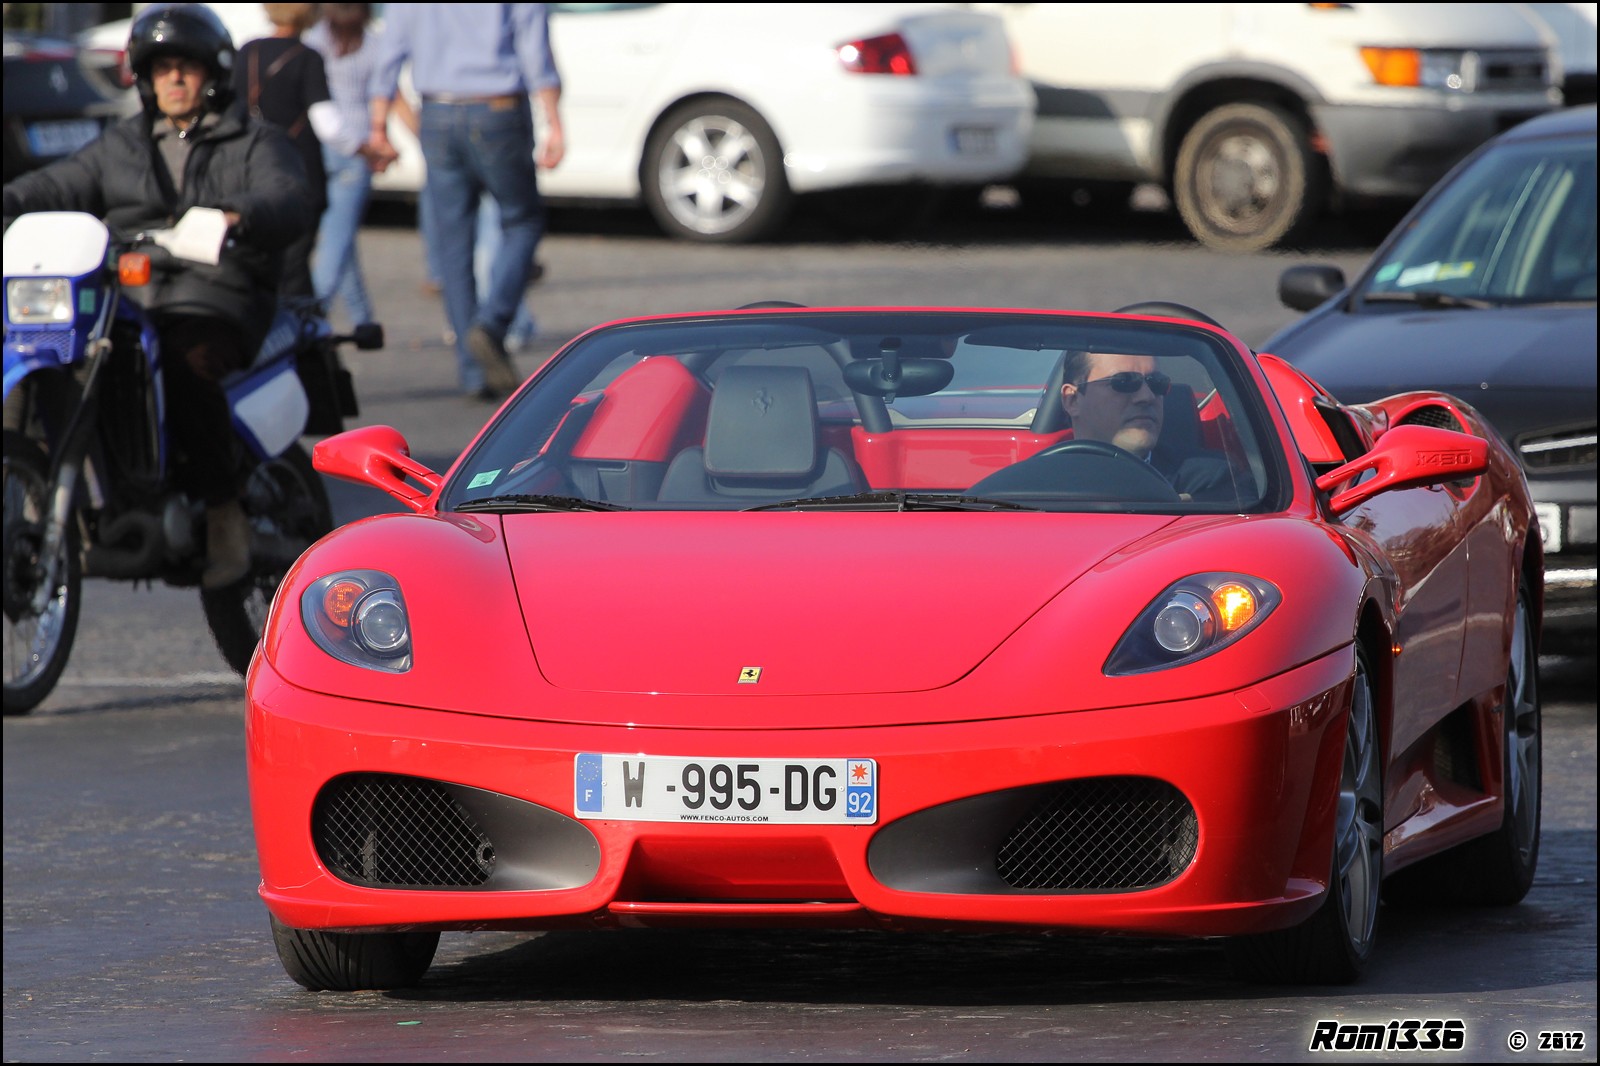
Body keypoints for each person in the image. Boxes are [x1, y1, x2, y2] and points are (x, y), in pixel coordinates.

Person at [2, 3, 315, 588]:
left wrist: (237, 214)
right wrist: (10, 202)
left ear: (212, 73)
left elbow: (287, 197)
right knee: (60, 351)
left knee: (186, 360)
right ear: (143, 78)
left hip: (218, 291)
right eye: (162, 67)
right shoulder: (120, 144)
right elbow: (55, 183)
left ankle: (224, 512)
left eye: (187, 67)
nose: (174, 78)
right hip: (133, 294)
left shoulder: (252, 141)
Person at [367, 3, 566, 400]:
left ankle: (473, 371)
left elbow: (388, 53)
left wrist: (377, 126)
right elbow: (534, 50)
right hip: (497, 107)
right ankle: (491, 325)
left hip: (437, 110)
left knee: (454, 243)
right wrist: (554, 121)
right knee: (522, 221)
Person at [232, 3, 334, 301]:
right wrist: (367, 149)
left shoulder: (246, 52)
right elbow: (327, 124)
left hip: (247, 170)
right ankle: (302, 340)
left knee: (252, 265)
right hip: (298, 173)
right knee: (294, 272)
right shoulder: (308, 58)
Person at [304, 2, 396, 327]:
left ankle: (363, 320)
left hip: (320, 145)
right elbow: (387, 95)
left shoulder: (314, 40)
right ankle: (312, 318)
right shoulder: (375, 45)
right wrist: (383, 144)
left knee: (340, 238)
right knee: (337, 241)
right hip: (357, 147)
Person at [1057, 349, 1236, 501]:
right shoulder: (1035, 485)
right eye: (1123, 382)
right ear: (1072, 400)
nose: (1147, 396)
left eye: (1157, 383)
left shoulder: (1213, 482)